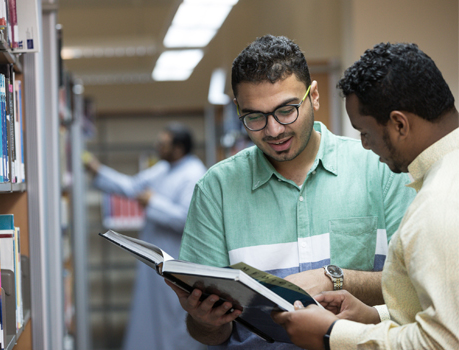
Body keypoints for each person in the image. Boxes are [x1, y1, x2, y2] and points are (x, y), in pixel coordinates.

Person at [167, 35, 415, 349]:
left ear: (314, 96)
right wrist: (204, 320)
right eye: (254, 117)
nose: (273, 130)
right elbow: (208, 335)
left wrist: (335, 278)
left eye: (286, 110)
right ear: (238, 110)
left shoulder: (380, 170)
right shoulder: (216, 190)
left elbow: (415, 288)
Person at [271, 42, 459, 350]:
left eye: (365, 132)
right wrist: (373, 315)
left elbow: (443, 341)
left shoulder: (438, 205)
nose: (364, 145)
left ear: (399, 124)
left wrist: (333, 335)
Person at [85, 122, 207, 350]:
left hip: (176, 260)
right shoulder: (163, 168)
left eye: (163, 143)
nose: (157, 146)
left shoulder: (194, 174)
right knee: (152, 318)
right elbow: (132, 187)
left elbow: (187, 219)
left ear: (179, 148)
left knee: (174, 320)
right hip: (155, 259)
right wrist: (96, 169)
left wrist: (153, 202)